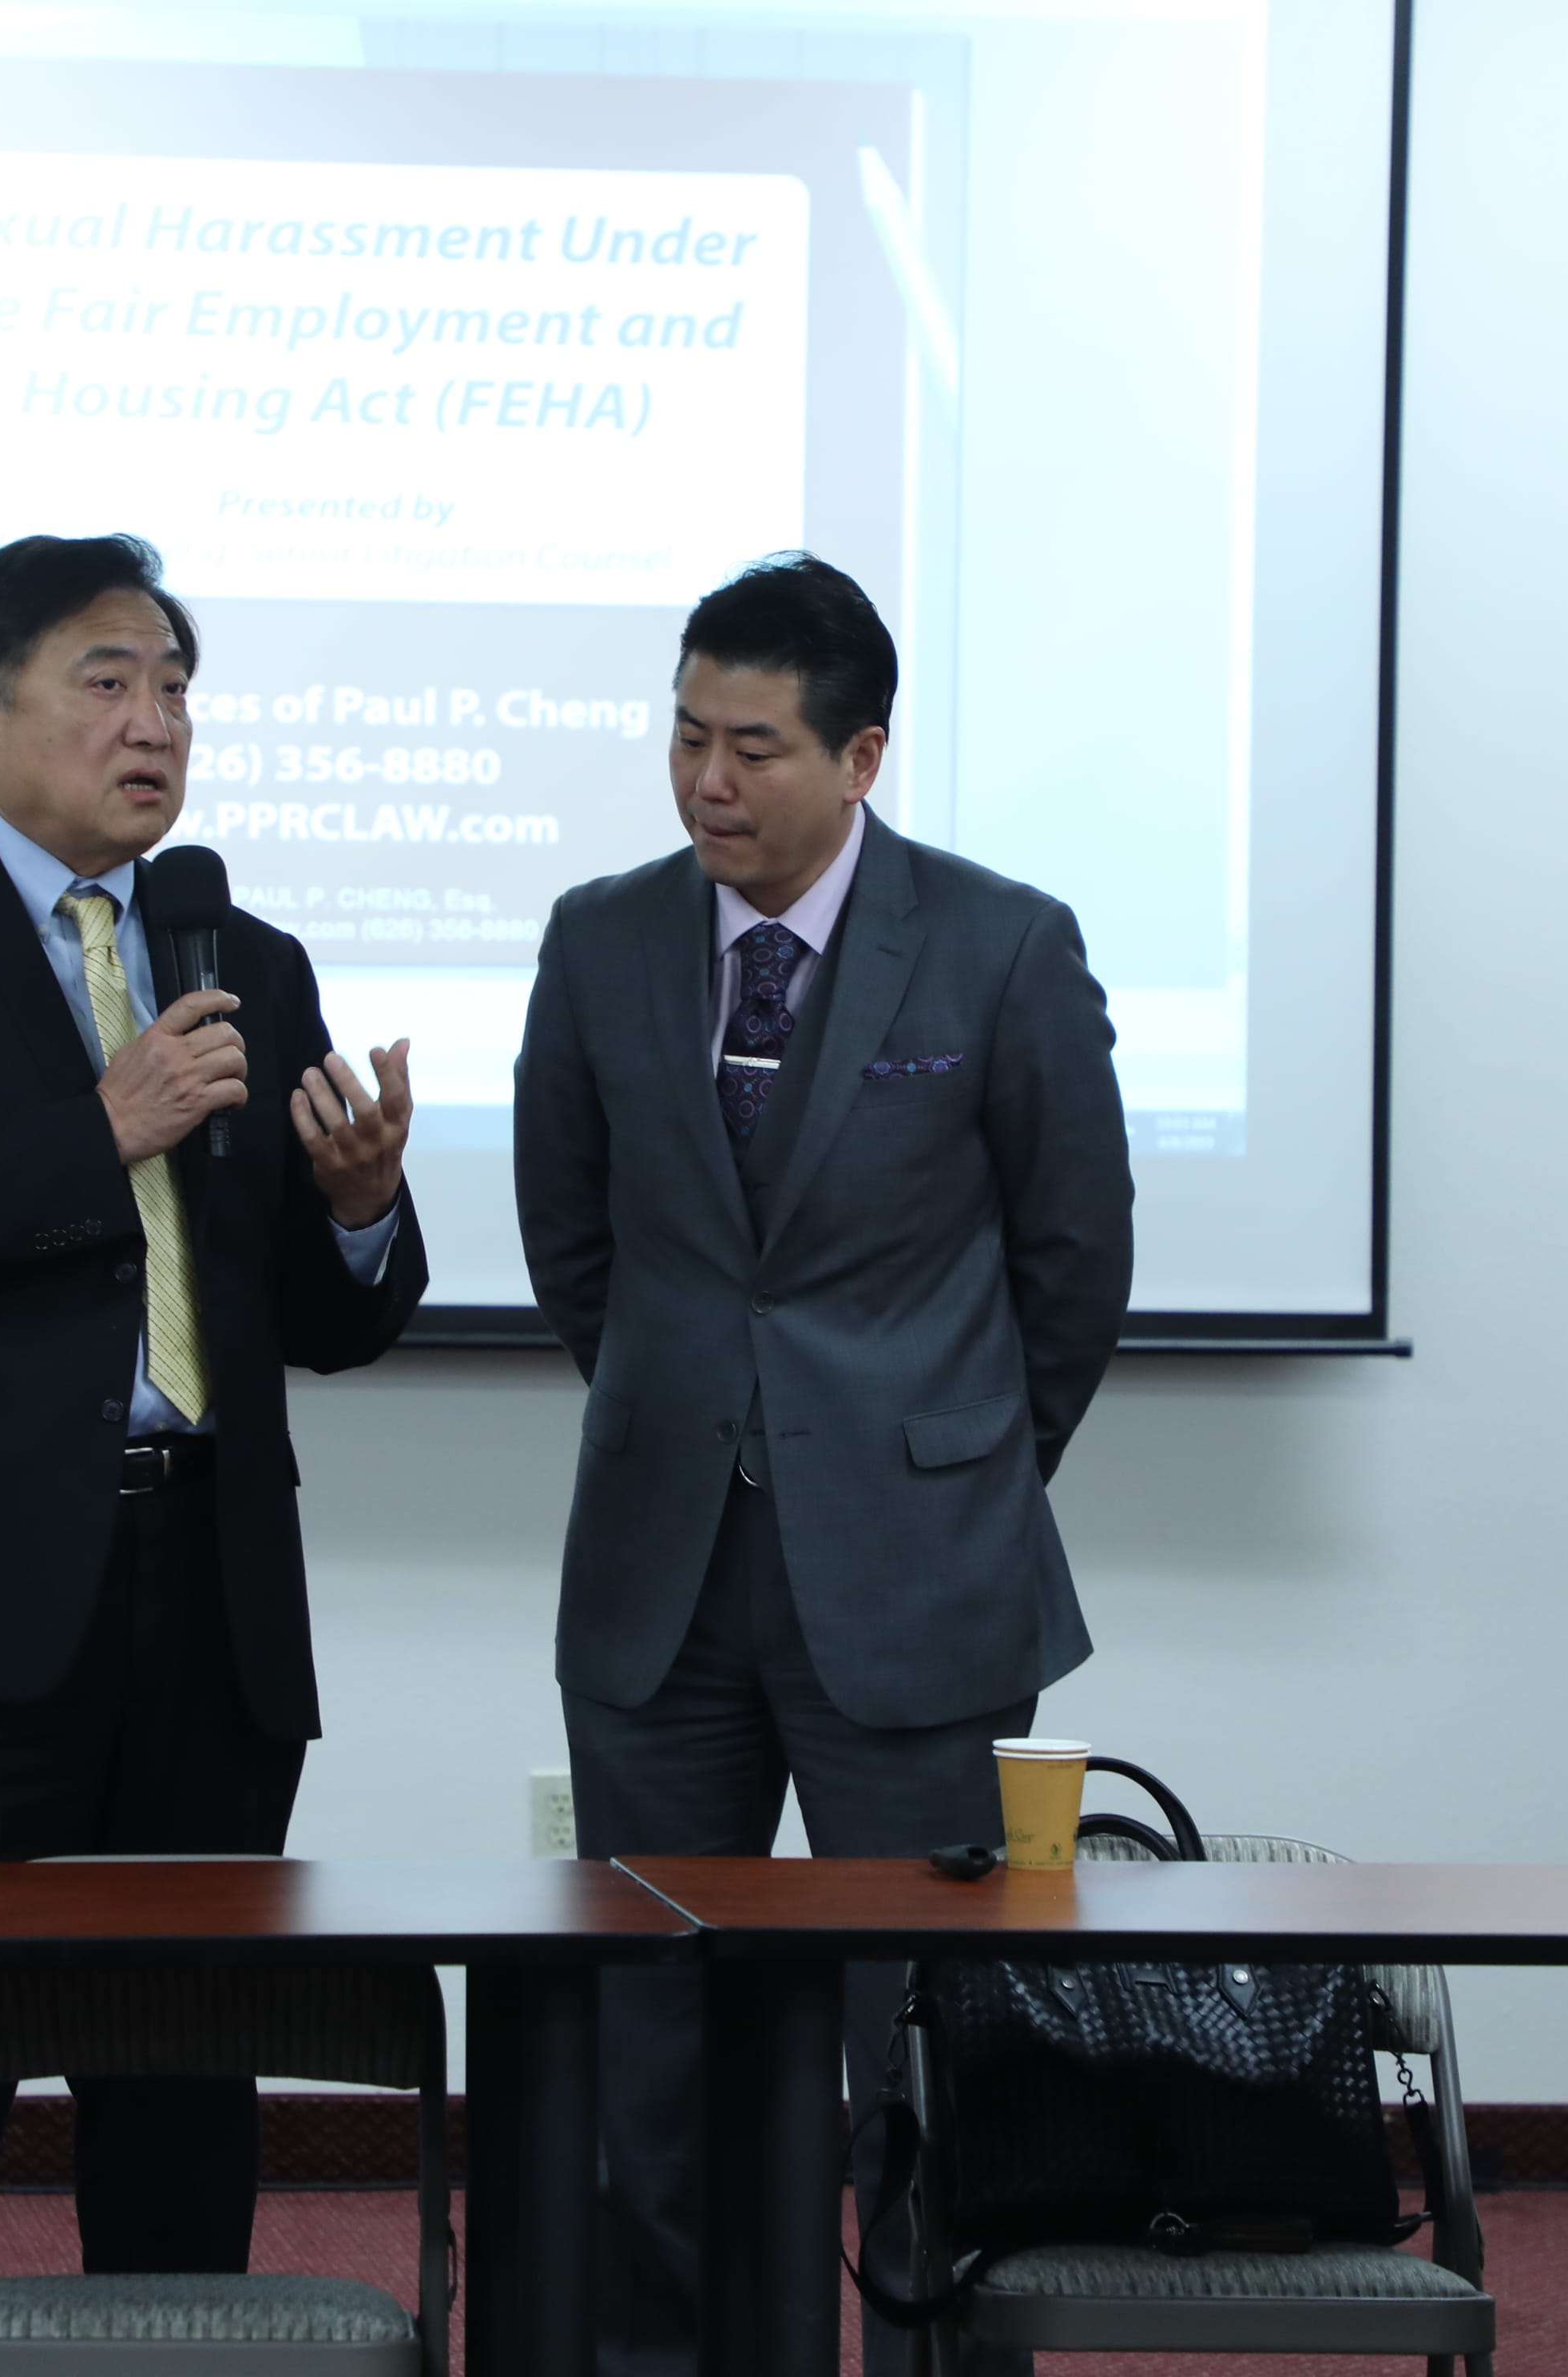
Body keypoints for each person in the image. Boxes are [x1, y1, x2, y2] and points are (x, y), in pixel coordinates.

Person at [0, 532, 424, 2377]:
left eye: (176, 689)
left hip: (208, 1599)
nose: (156, 724)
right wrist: (92, 1129)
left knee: (184, 2079)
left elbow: (322, 1318)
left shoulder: (240, 958)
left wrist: (361, 1210)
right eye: (108, 683)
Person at [513, 552, 1133, 2376]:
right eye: (687, 738)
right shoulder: (599, 939)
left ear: (861, 757)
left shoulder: (1001, 945)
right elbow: (574, 1240)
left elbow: (1074, 1261)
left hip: (920, 1579)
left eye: (755, 748)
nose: (708, 782)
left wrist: (953, 1468)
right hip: (661, 1582)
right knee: (654, 2049)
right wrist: (696, 1416)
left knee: (923, 2054)